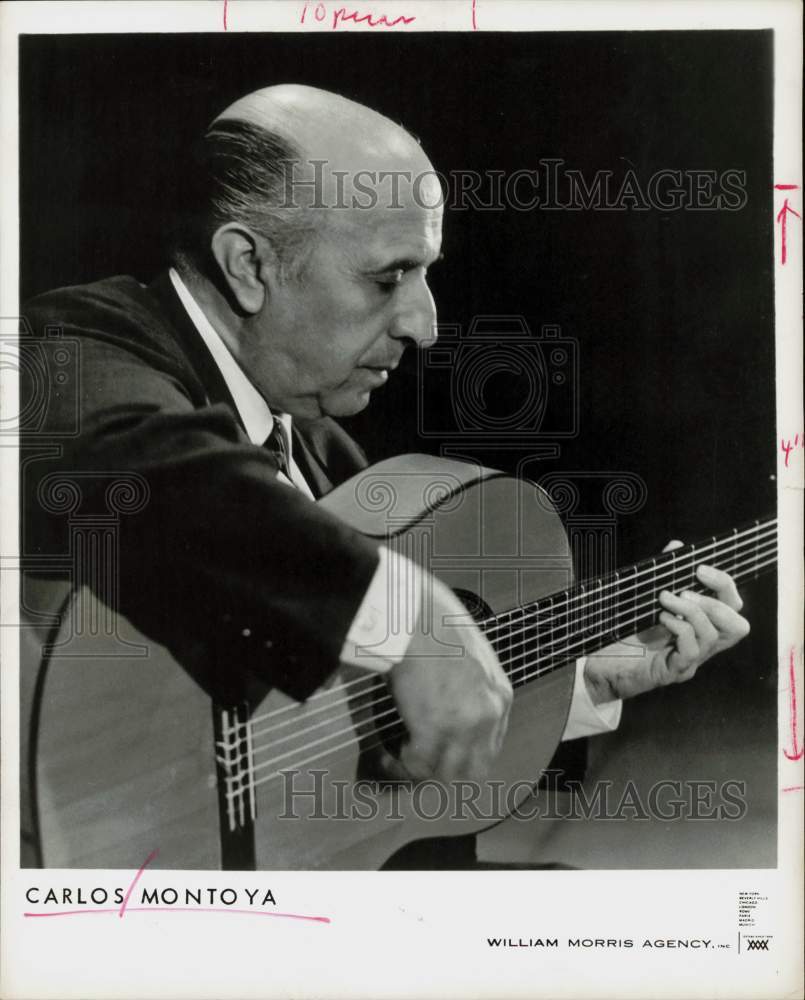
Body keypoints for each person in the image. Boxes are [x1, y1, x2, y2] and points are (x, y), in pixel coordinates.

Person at [21, 84, 750, 868]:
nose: (424, 324)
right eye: (387, 277)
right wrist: (413, 618)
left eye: (426, 273)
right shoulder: (76, 348)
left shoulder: (323, 451)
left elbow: (342, 740)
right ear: (248, 264)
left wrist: (584, 683)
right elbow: (145, 469)